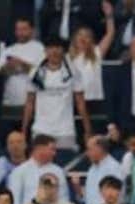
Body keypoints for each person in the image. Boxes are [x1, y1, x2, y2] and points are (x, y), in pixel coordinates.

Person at [22, 35, 90, 163]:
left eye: (58, 47)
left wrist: (87, 131)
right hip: (41, 129)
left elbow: (80, 103)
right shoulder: (35, 73)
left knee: (66, 165)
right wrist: (23, 131)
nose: (54, 51)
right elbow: (29, 104)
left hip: (65, 129)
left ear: (63, 50)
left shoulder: (73, 72)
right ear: (45, 51)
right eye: (50, 48)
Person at [0, 18, 45, 120]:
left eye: (24, 29)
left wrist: (22, 64)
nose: (20, 32)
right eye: (18, 29)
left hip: (33, 103)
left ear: (32, 30)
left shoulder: (40, 49)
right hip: (9, 103)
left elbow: (42, 74)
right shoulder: (8, 50)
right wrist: (7, 67)